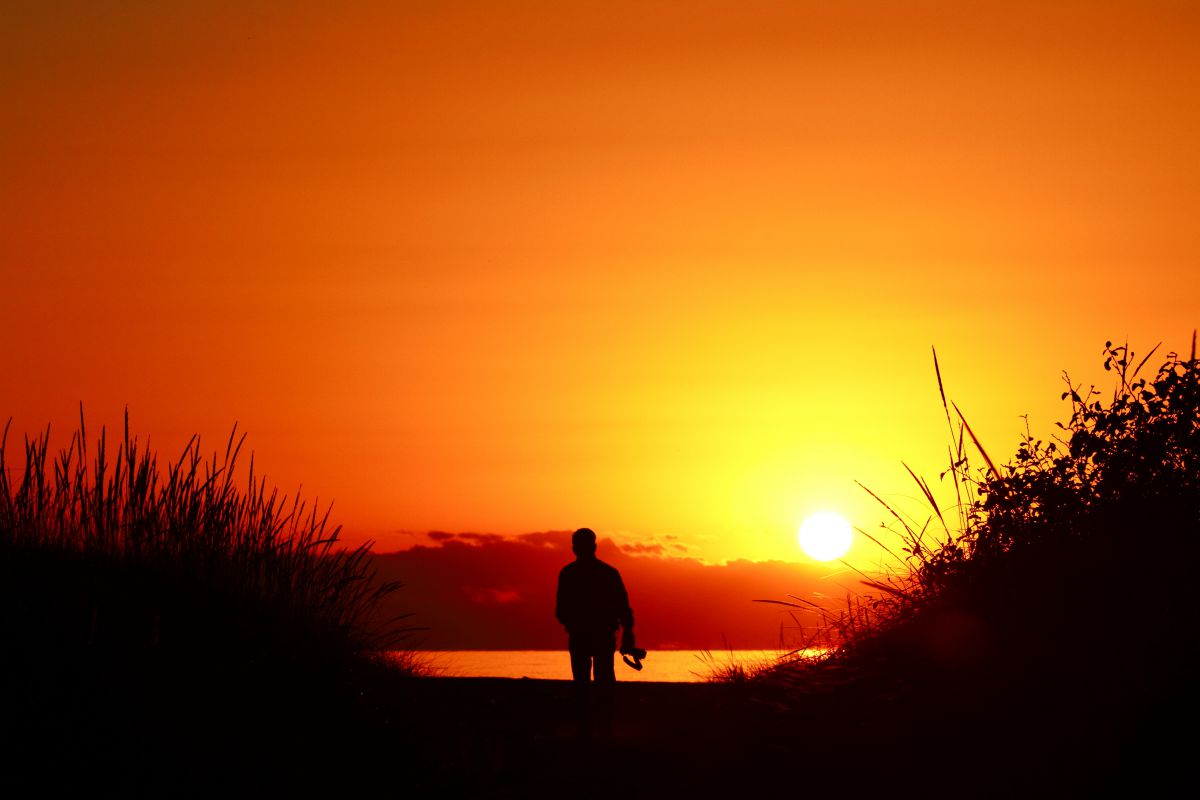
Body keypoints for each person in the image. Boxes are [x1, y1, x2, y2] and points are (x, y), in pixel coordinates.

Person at [555, 527, 637, 742]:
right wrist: (628, 631)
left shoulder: (570, 573)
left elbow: (560, 611)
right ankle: (600, 729)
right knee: (601, 682)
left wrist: (627, 631)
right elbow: (623, 606)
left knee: (587, 683)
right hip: (595, 635)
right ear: (594, 547)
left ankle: (590, 730)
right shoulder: (607, 573)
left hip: (588, 635)